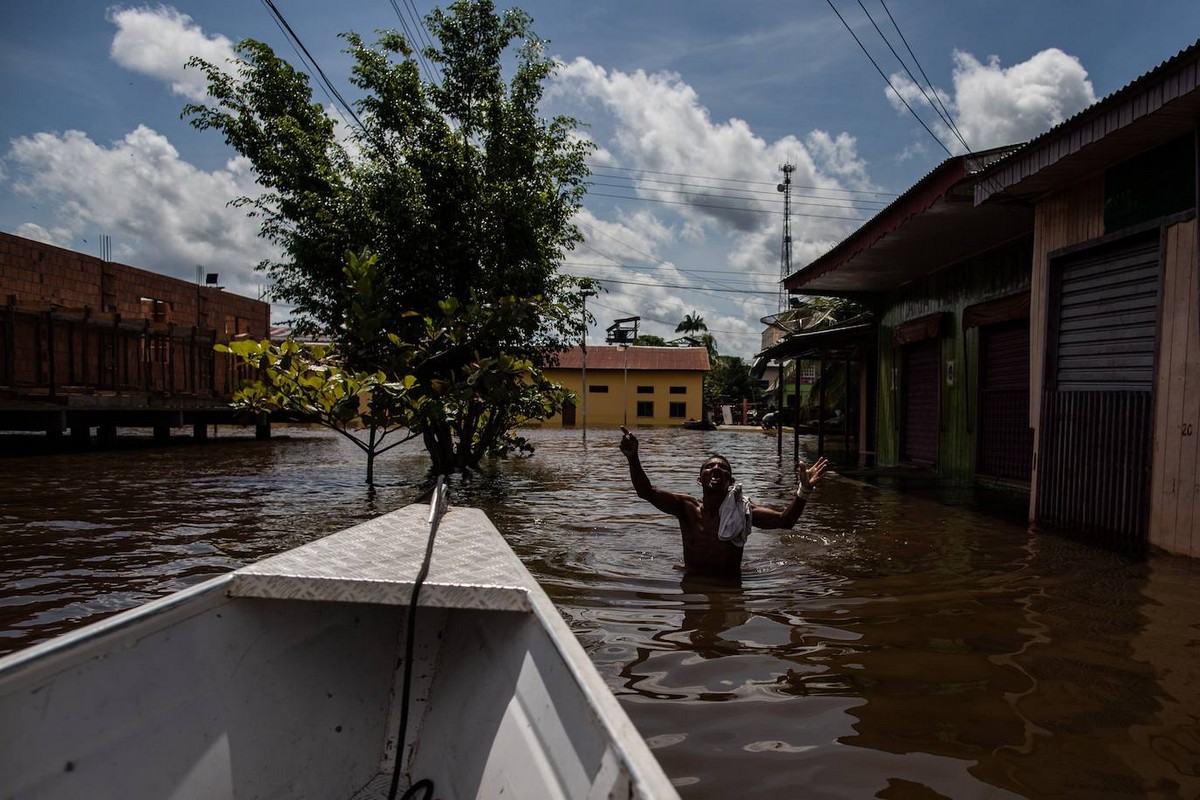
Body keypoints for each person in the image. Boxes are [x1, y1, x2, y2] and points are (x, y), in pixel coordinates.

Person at [618, 425, 829, 578]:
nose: (716, 469)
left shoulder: (743, 511)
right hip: (692, 581)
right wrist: (632, 457)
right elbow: (645, 491)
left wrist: (804, 489)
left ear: (731, 481)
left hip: (729, 585)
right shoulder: (686, 508)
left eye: (723, 468)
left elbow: (785, 520)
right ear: (700, 480)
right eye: (709, 467)